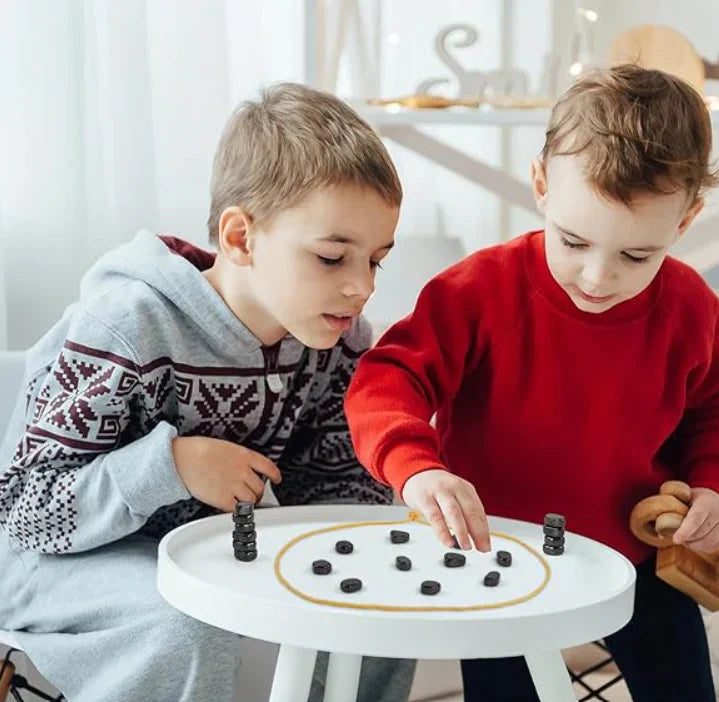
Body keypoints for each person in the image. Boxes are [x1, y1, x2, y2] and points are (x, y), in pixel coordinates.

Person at [345, 65, 719, 702]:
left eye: (635, 256)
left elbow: (716, 409)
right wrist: (417, 468)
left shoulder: (695, 311)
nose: (596, 276)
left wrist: (713, 487)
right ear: (540, 184)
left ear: (686, 219)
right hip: (496, 556)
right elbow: (386, 379)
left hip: (638, 557)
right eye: (574, 240)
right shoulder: (478, 291)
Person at [0, 83, 415, 702]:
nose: (362, 288)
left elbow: (337, 497)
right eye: (332, 258)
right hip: (61, 563)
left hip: (209, 555)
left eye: (376, 260)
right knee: (186, 626)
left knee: (379, 605)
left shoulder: (341, 342)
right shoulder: (126, 327)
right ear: (242, 238)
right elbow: (25, 510)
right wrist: (171, 467)